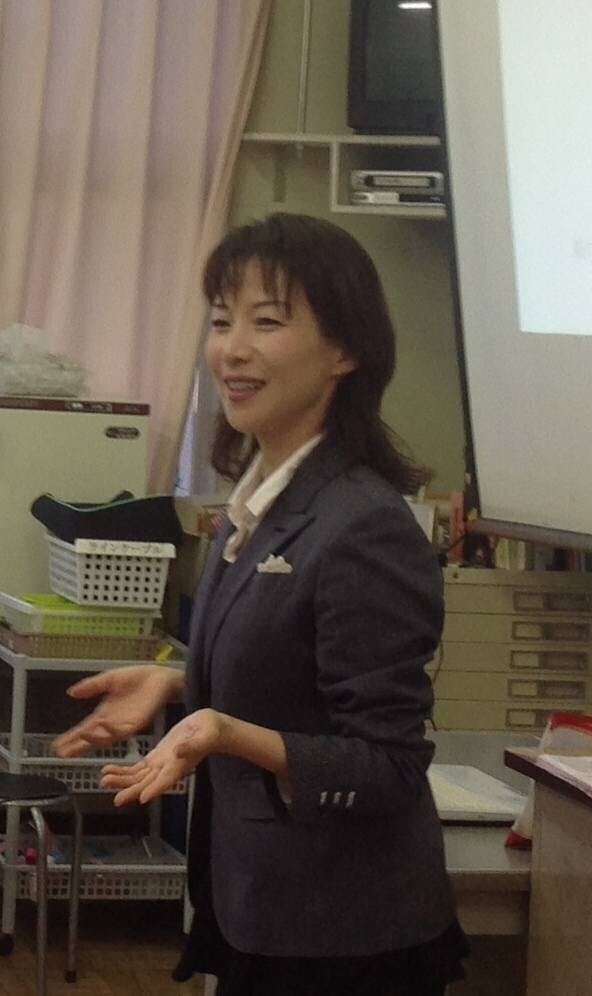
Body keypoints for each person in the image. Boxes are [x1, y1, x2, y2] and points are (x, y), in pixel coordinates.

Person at [55, 213, 469, 995]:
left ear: (345, 351)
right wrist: (179, 684)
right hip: (265, 905)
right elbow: (291, 669)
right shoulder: (261, 504)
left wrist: (222, 730)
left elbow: (388, 765)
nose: (232, 349)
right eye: (222, 321)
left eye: (267, 322)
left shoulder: (363, 524)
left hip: (345, 940)